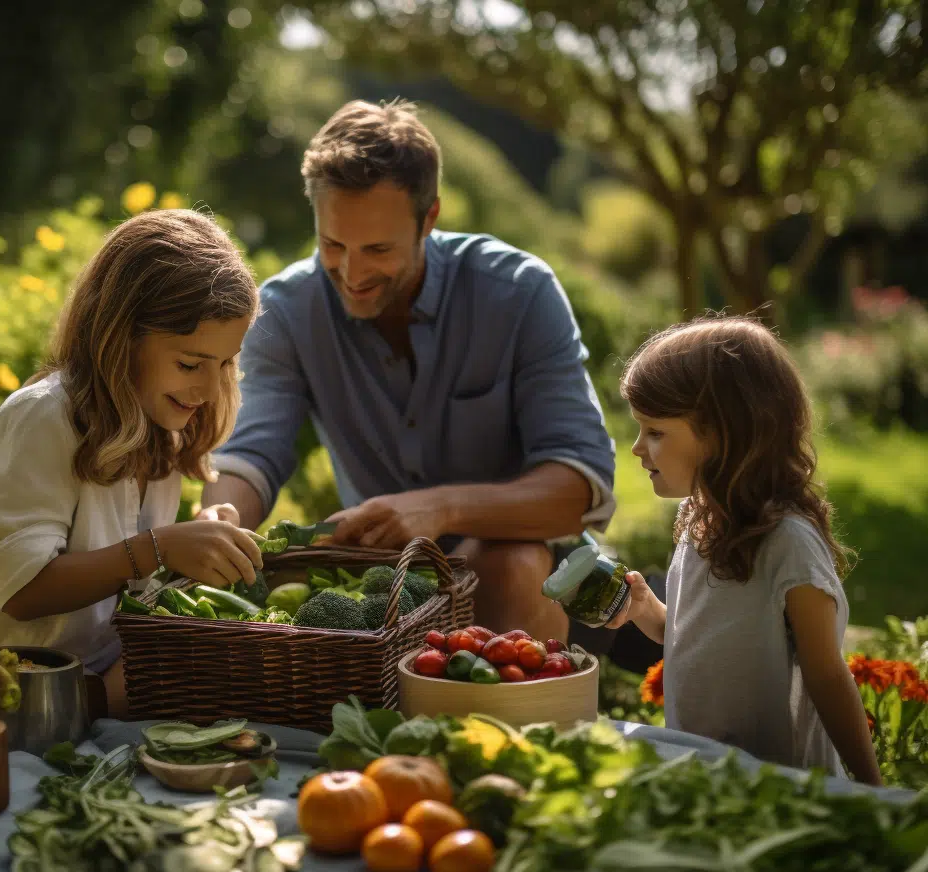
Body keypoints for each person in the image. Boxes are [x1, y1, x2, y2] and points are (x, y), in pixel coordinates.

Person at [200, 100, 617, 643]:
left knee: (504, 564)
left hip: (519, 560)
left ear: (430, 218)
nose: (352, 273)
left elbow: (578, 487)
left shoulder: (519, 292)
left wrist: (440, 509)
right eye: (333, 244)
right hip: (386, 576)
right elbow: (252, 453)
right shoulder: (287, 310)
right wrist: (220, 520)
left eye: (377, 248)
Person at [0, 209, 265, 718]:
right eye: (191, 364)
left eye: (226, 363)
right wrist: (160, 549)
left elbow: (125, 581)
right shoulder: (43, 418)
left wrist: (196, 542)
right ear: (119, 338)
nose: (211, 388)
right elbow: (25, 590)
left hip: (87, 690)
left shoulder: (165, 430)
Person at [606, 315, 882, 783]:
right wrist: (647, 610)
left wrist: (872, 789)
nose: (636, 448)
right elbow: (695, 638)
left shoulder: (788, 544)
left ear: (721, 436)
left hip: (781, 784)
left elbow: (827, 677)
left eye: (655, 432)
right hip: (706, 771)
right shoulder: (696, 521)